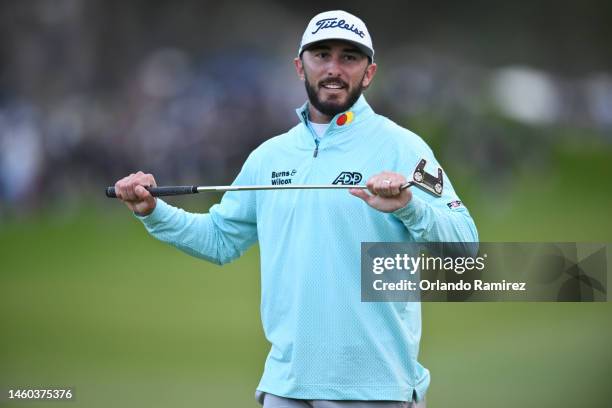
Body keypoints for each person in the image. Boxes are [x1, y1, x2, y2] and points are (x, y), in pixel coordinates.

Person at [114, 10, 478, 408]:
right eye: (321, 55)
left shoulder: (402, 147)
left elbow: (465, 248)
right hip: (285, 387)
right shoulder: (269, 156)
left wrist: (410, 207)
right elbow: (219, 239)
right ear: (299, 66)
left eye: (349, 58)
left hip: (376, 389)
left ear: (369, 72)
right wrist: (152, 211)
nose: (333, 69)